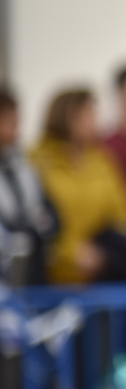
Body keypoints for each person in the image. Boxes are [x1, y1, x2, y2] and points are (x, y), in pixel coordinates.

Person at [30, 89, 126, 285]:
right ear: (69, 116)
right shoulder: (38, 160)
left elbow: (122, 215)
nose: (96, 122)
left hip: (99, 268)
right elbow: (39, 217)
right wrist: (71, 253)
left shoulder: (103, 160)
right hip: (50, 271)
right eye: (89, 114)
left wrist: (100, 253)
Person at [0, 88, 57, 287]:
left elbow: (52, 215)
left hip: (32, 271)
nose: (17, 129)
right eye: (10, 121)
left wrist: (40, 225)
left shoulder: (23, 165)